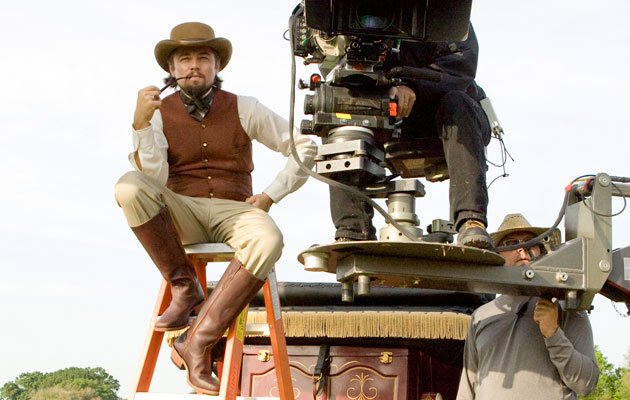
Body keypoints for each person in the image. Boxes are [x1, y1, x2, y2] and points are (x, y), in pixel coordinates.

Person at [113, 22, 316, 394]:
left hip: (234, 211)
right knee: (129, 186)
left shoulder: (245, 107)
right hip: (182, 211)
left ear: (217, 66)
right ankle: (184, 286)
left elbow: (305, 147)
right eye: (185, 59)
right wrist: (140, 125)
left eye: (203, 58)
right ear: (171, 69)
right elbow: (154, 179)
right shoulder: (157, 113)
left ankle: (196, 342)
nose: (194, 66)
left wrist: (271, 195)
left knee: (269, 239)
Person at [330, 24, 493, 248]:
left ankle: (471, 221)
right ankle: (352, 230)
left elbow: (460, 64)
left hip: (446, 112)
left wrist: (412, 86)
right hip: (382, 114)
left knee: (457, 102)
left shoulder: (444, 12)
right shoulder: (351, 17)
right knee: (339, 112)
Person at [456, 213, 599, 399]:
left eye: (530, 243)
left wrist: (553, 334)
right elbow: (467, 388)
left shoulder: (567, 306)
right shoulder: (481, 315)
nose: (521, 248)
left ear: (541, 250)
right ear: (498, 253)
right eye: (511, 243)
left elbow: (586, 383)